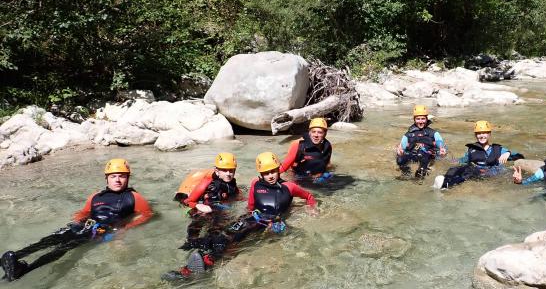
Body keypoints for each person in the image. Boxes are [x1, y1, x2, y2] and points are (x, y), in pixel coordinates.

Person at [163, 152, 317, 280]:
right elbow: (250, 205)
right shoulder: (255, 183)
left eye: (273, 171)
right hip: (252, 217)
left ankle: (205, 264)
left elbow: (309, 196)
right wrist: (242, 218)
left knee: (234, 239)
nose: (270, 176)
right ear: (260, 173)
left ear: (278, 169)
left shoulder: (289, 187)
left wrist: (312, 209)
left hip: (269, 221)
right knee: (221, 236)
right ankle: (189, 268)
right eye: (266, 172)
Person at [1, 159, 153, 281]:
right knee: (53, 238)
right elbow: (84, 212)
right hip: (85, 224)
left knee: (65, 247)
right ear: (107, 178)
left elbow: (148, 215)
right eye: (113, 176)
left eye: (122, 176)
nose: (118, 180)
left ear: (128, 178)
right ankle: (12, 258)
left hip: (102, 229)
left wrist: (125, 227)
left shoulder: (134, 197)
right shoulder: (96, 196)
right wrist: (76, 222)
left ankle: (26, 269)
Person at [175, 152, 242, 251]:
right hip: (204, 209)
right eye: (224, 170)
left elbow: (237, 197)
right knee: (197, 223)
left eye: (231, 170)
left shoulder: (232, 184)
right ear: (217, 170)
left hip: (219, 211)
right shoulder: (207, 182)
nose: (228, 174)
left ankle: (207, 251)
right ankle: (190, 242)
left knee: (215, 230)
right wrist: (198, 206)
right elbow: (188, 201)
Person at [433, 120, 522, 189]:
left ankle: (447, 185)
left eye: (484, 133)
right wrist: (444, 157)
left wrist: (508, 153)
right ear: (475, 135)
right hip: (475, 171)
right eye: (479, 133)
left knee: (469, 171)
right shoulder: (472, 149)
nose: (481, 135)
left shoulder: (498, 149)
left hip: (490, 173)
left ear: (489, 134)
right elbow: (462, 160)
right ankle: (444, 181)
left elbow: (519, 156)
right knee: (456, 168)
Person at [396, 104, 447, 178]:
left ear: (426, 119)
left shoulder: (433, 133)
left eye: (423, 119)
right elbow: (402, 146)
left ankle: (421, 173)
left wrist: (442, 149)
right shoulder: (408, 134)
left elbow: (439, 142)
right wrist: (400, 151)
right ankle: (406, 173)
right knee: (400, 160)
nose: (420, 121)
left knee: (421, 166)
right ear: (414, 119)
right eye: (418, 119)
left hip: (426, 156)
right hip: (413, 155)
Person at [279, 117, 333, 183]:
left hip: (316, 177)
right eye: (313, 132)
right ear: (309, 132)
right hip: (296, 176)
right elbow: (284, 167)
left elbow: (327, 164)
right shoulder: (298, 145)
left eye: (320, 132)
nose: (316, 135)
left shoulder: (327, 146)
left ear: (325, 133)